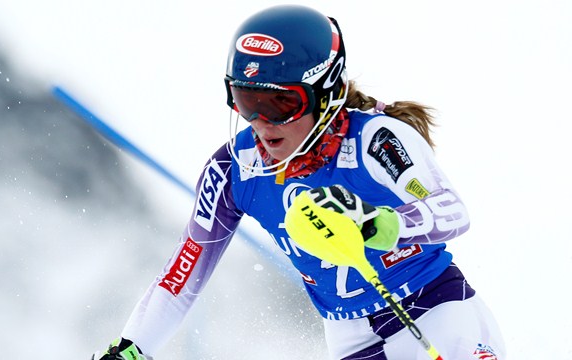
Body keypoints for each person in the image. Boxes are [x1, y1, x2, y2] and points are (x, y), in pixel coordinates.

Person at [92, 4, 506, 360]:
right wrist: (132, 349)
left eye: (280, 104)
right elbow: (183, 274)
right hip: (350, 338)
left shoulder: (375, 139)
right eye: (246, 101)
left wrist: (384, 224)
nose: (261, 124)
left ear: (324, 94)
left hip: (434, 307)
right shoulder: (235, 169)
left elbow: (452, 210)